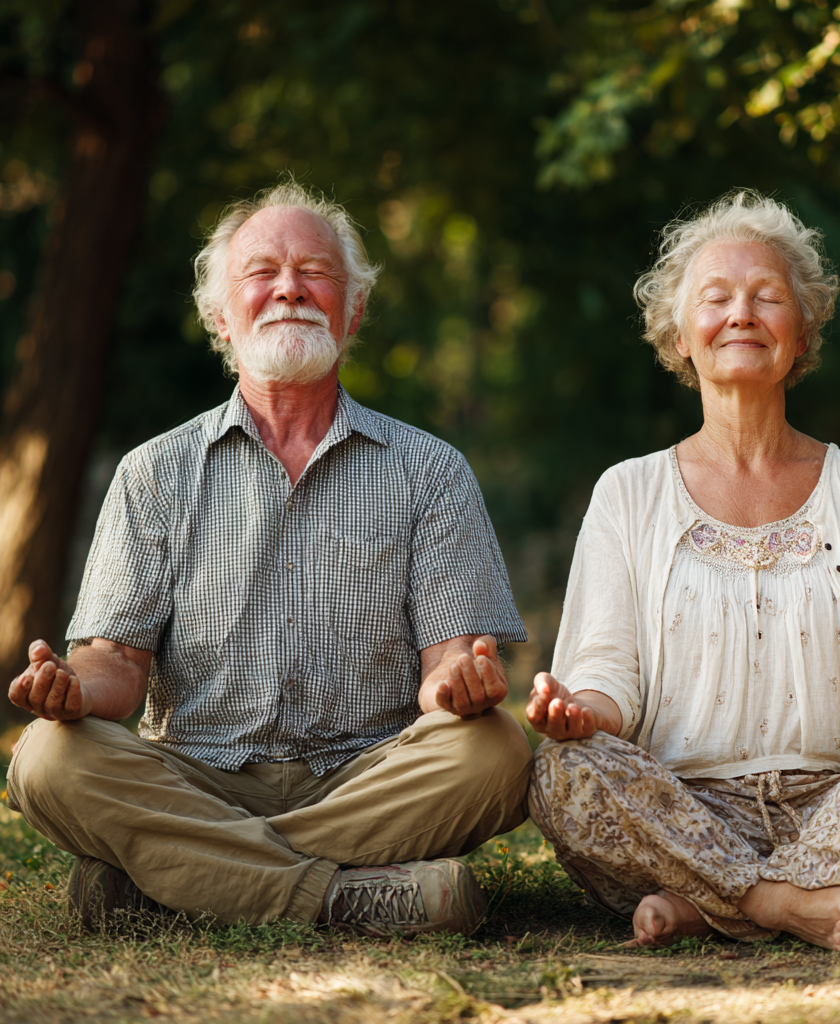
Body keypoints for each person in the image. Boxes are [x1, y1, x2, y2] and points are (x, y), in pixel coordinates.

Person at [5, 179, 532, 936]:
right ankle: (345, 899)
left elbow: (445, 670)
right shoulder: (154, 472)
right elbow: (116, 666)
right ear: (221, 316)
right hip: (198, 778)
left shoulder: (432, 470)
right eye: (261, 273)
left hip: (366, 780)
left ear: (352, 310)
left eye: (315, 271)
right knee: (47, 761)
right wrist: (70, 689)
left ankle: (167, 885)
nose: (289, 288)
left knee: (497, 751)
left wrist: (461, 684)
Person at [525, 191, 840, 954]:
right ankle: (796, 905)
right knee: (567, 771)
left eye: (768, 297)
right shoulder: (628, 493)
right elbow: (607, 674)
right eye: (716, 298)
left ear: (802, 332)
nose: (742, 313)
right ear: (681, 337)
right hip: (680, 813)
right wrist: (578, 713)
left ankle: (712, 905)